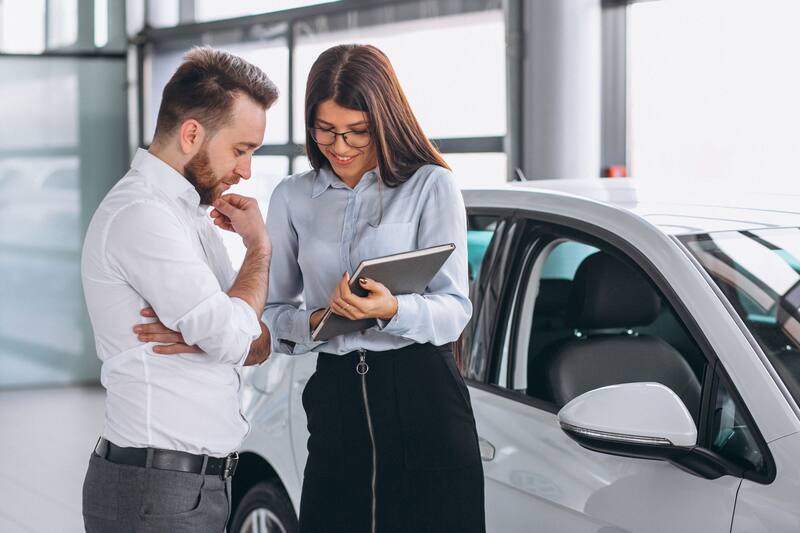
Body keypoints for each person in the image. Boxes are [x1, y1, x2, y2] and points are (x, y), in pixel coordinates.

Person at [264, 44, 485, 533]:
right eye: (326, 130)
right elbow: (272, 312)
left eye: (357, 132)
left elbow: (454, 309)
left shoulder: (431, 185)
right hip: (336, 398)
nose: (339, 146)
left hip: (423, 394)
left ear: (384, 122)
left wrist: (393, 309)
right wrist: (317, 322)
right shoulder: (292, 197)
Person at [80, 47, 278, 532]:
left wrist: (220, 330)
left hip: (192, 488)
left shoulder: (192, 215)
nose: (247, 171)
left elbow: (254, 343)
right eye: (241, 149)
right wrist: (259, 250)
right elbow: (234, 337)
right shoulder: (142, 215)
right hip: (156, 492)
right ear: (192, 133)